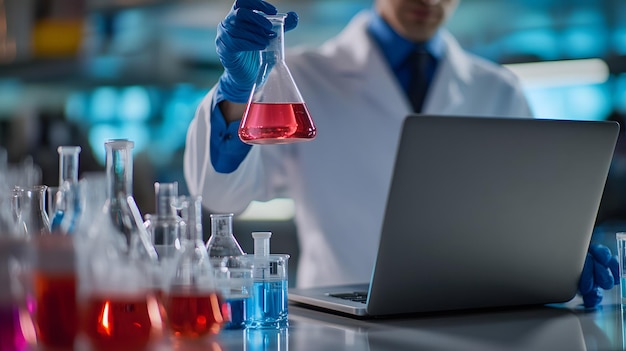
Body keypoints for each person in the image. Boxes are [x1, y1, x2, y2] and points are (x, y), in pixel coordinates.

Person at [184, 0, 617, 307]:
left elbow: (528, 213)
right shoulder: (305, 76)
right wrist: (236, 94)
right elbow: (222, 196)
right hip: (341, 328)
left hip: (473, 323)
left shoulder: (498, 89)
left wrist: (559, 258)